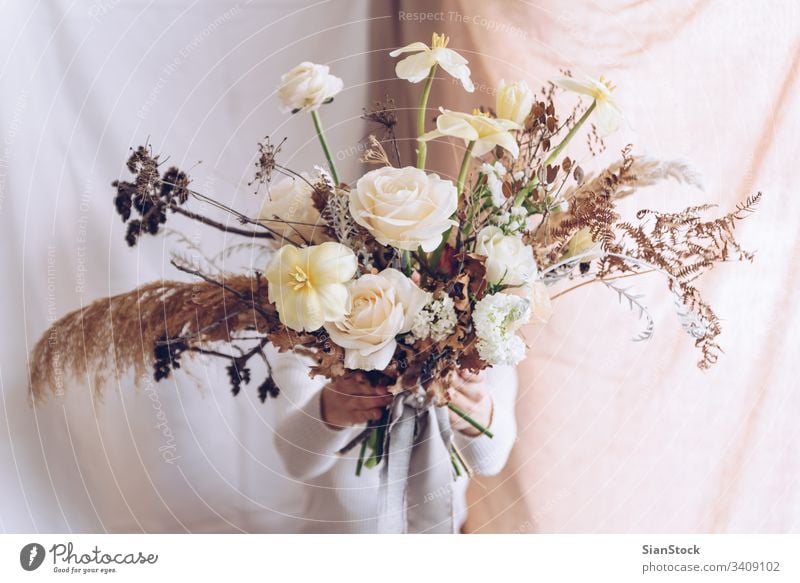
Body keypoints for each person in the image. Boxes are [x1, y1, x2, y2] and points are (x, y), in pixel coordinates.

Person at [267, 346, 517, 533]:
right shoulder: (313, 337)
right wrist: (329, 410)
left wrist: (476, 417)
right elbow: (294, 460)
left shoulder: (486, 343)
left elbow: (490, 463)